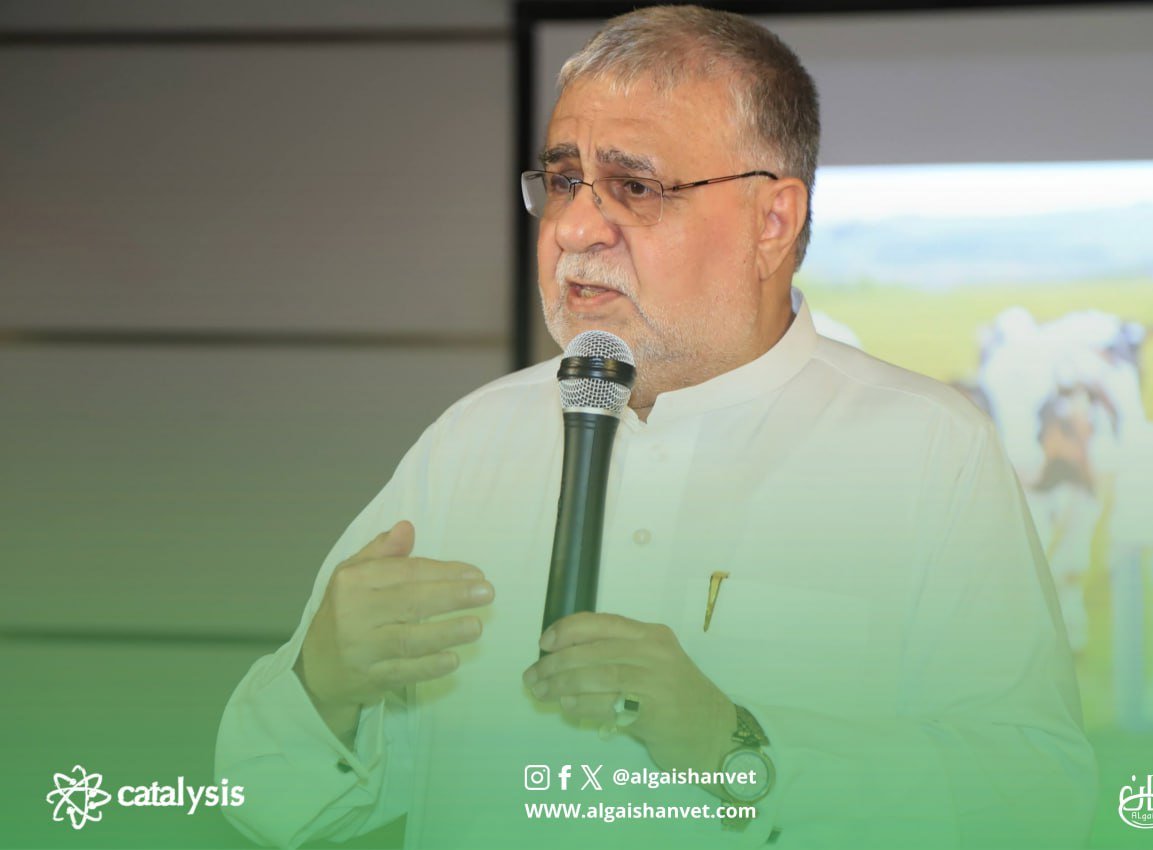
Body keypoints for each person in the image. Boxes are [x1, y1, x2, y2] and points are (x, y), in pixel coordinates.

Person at [216, 6, 1096, 848]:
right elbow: (266, 803)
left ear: (772, 221)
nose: (572, 228)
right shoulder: (469, 442)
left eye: (633, 187)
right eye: (564, 181)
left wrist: (730, 745)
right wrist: (323, 685)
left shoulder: (926, 450)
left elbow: (1036, 806)